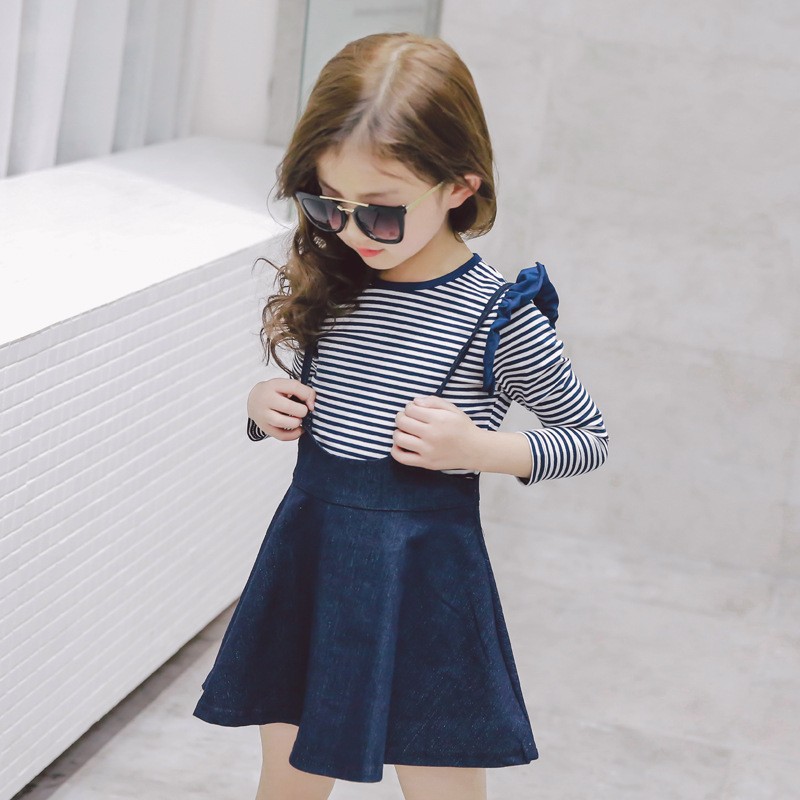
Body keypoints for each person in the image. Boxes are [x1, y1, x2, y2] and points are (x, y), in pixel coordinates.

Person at [192, 31, 610, 800]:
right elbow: (322, 398)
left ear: (459, 186)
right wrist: (262, 407)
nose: (351, 233)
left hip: (427, 586)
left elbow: (588, 437)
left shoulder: (499, 315)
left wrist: (481, 448)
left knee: (439, 778)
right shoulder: (336, 276)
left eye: (381, 214)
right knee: (286, 776)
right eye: (328, 205)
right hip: (311, 562)